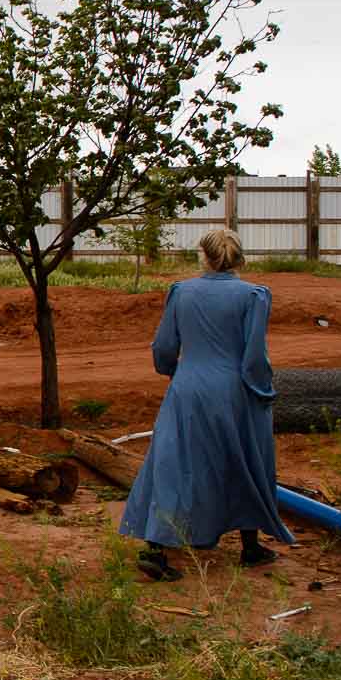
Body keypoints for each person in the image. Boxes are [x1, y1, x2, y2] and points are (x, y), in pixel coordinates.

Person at [120, 229, 293, 581]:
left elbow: (164, 348)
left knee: (173, 462)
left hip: (188, 386)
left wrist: (176, 373)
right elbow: (255, 355)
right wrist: (261, 391)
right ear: (238, 257)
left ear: (203, 256)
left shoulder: (181, 292)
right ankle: (250, 546)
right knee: (243, 459)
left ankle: (156, 547)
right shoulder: (254, 296)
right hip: (234, 390)